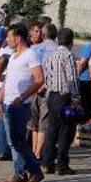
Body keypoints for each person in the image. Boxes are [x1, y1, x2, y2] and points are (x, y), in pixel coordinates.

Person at [0, 23, 45, 182]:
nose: (7, 40)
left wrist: (23, 96)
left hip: (20, 105)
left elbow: (39, 79)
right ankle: (20, 173)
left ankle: (35, 171)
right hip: (8, 103)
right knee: (13, 142)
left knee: (18, 142)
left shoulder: (30, 55)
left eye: (9, 36)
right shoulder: (13, 56)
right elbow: (7, 80)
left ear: (18, 38)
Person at [41, 28, 80, 175]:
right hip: (64, 96)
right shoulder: (68, 56)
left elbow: (47, 76)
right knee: (66, 131)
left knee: (52, 130)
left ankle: (46, 163)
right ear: (71, 41)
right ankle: (62, 165)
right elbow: (71, 79)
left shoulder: (51, 55)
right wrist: (76, 97)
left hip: (52, 96)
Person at [29, 23, 58, 159]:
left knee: (34, 123)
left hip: (34, 88)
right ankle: (38, 152)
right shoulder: (58, 50)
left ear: (44, 34)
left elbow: (31, 69)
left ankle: (34, 149)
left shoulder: (34, 49)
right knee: (43, 123)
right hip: (48, 89)